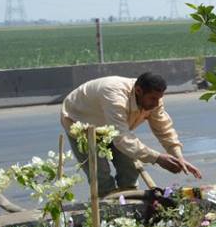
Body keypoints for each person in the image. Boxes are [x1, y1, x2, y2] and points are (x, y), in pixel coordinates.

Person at [60, 72, 202, 196]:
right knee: (100, 175)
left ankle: (128, 201)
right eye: (153, 98)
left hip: (113, 127)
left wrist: (178, 157)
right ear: (139, 91)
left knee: (130, 169)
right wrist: (158, 158)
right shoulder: (114, 95)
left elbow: (164, 129)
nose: (156, 103)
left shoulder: (155, 98)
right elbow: (122, 139)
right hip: (80, 123)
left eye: (159, 98)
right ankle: (108, 208)